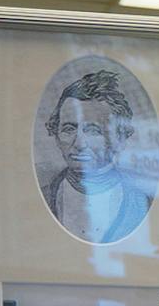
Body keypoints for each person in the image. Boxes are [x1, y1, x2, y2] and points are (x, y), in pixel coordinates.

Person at [40, 68, 153, 244]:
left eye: (93, 130)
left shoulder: (143, 203)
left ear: (120, 138)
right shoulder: (44, 198)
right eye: (69, 129)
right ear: (55, 133)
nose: (79, 143)